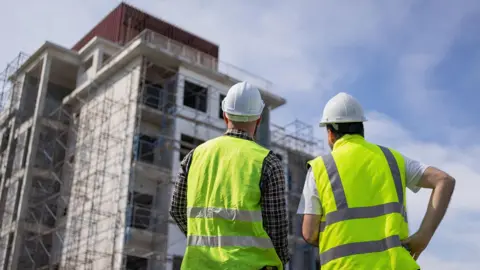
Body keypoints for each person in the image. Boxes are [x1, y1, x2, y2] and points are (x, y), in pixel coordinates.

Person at [297, 92, 455, 270]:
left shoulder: (319, 168)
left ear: (330, 133)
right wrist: (423, 237)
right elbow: (444, 180)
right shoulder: (392, 159)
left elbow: (309, 233)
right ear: (361, 128)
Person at [170, 81, 290, 270]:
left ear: (225, 115)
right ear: (258, 120)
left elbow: (177, 210)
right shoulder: (268, 162)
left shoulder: (193, 157)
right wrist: (280, 260)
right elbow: (276, 227)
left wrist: (206, 241)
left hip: (198, 265)